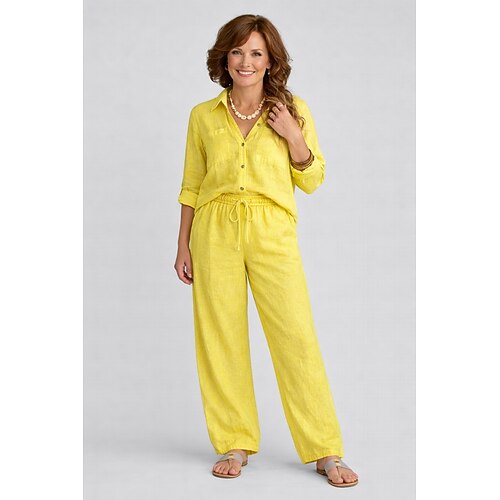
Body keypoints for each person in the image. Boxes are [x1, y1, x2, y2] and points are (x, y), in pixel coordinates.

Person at [174, 14, 359, 488]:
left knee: (296, 336)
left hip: (271, 228)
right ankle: (234, 441)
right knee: (221, 337)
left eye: (256, 52)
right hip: (214, 229)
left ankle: (325, 448)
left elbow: (313, 180)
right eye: (237, 52)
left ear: (270, 60)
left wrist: (293, 135)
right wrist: (182, 246)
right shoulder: (203, 115)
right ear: (224, 59)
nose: (246, 61)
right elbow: (192, 185)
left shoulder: (293, 110)